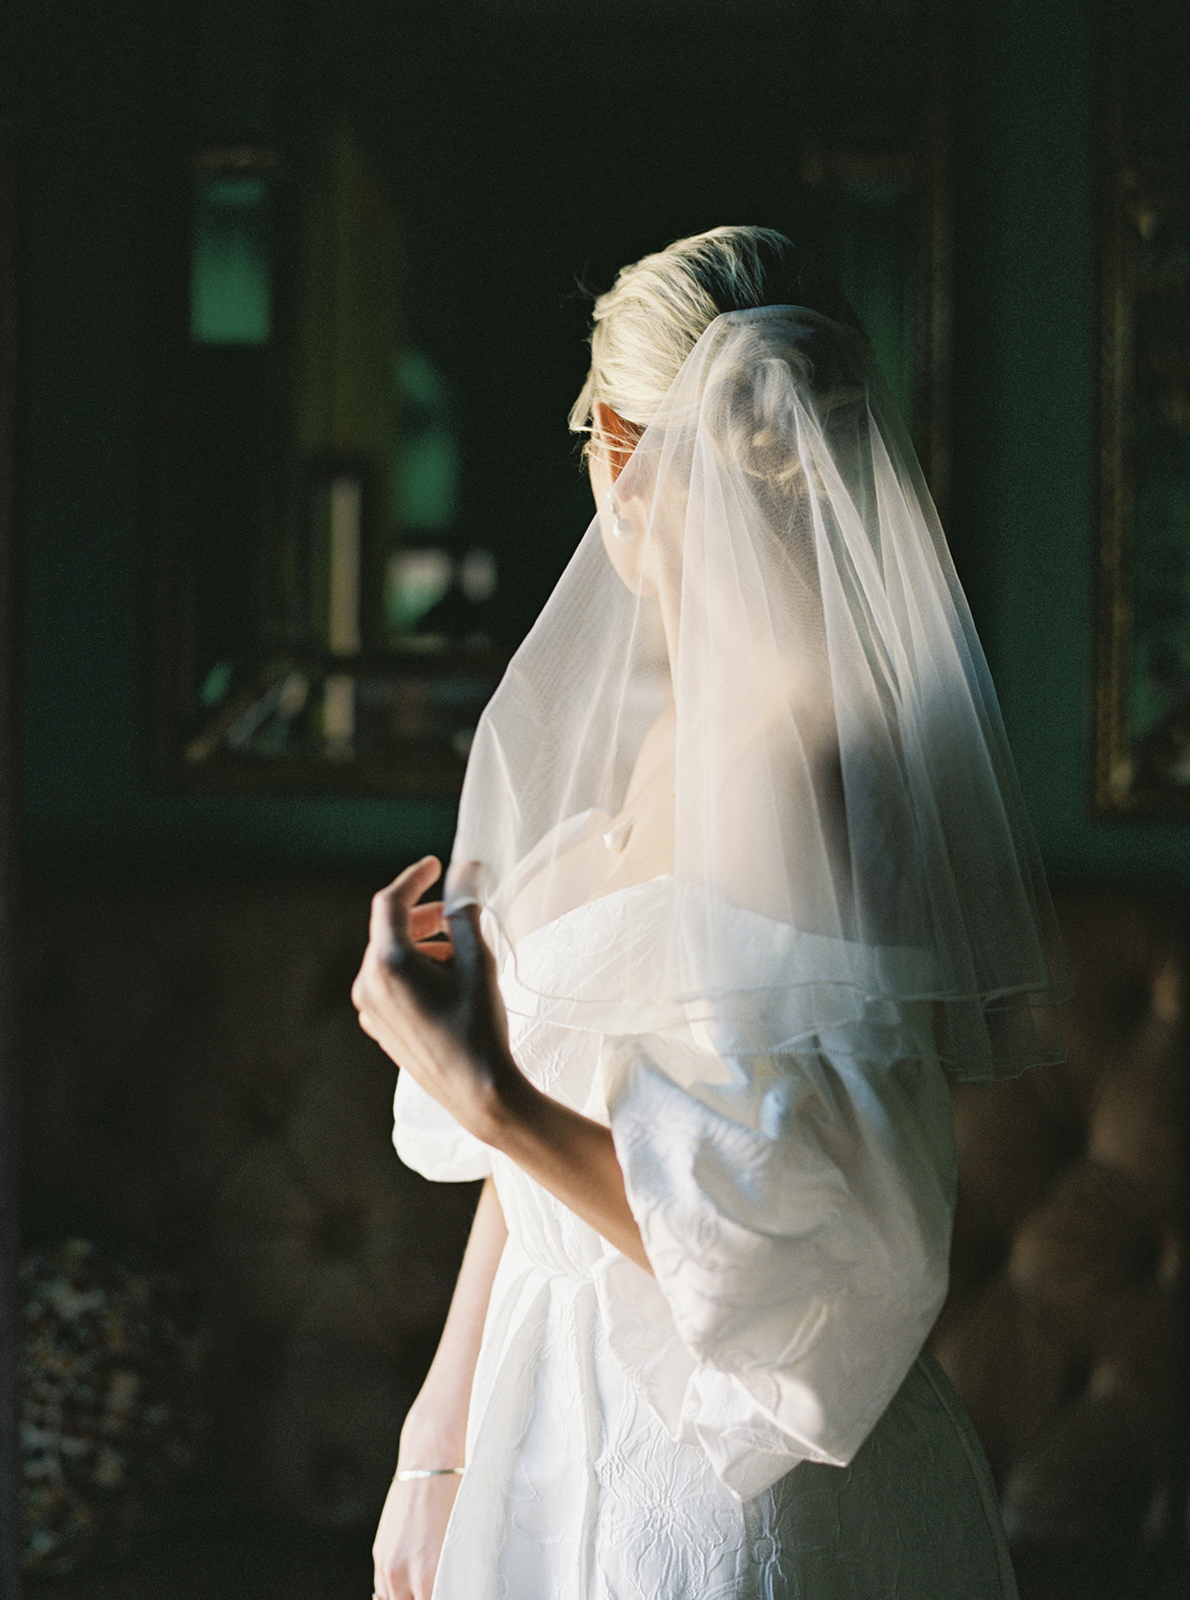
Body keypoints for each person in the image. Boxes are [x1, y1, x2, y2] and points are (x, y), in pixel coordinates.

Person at [352, 226, 1067, 1600]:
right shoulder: (676, 731)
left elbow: (810, 1269)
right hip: (541, 1413)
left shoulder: (806, 765)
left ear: (618, 457)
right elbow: (546, 1174)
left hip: (699, 1471)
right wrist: (434, 1437)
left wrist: (479, 1082)